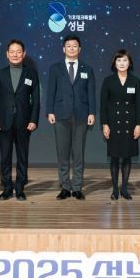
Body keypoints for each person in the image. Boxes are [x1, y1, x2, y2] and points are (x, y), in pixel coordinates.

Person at [0, 39, 40, 201]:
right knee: (5, 156)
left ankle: (20, 188)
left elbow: (36, 100)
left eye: (18, 52)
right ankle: (6, 187)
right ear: (7, 54)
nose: (15, 54)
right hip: (3, 121)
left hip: (24, 121)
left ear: (24, 54)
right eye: (12, 52)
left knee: (22, 156)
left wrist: (34, 120)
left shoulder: (31, 74)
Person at [46, 35, 96, 200]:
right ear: (64, 49)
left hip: (81, 115)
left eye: (75, 46)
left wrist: (92, 112)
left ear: (79, 49)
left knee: (78, 154)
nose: (72, 48)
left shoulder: (87, 69)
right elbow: (50, 91)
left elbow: (91, 93)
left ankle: (77, 187)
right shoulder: (55, 68)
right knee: (63, 154)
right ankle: (65, 187)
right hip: (61, 115)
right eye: (69, 46)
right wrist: (50, 111)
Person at [100, 49, 140, 200]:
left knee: (127, 157)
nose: (122, 63)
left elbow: (139, 104)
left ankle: (124, 189)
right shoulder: (108, 81)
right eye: (119, 60)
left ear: (129, 63)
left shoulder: (135, 80)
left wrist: (139, 125)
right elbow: (103, 105)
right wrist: (105, 124)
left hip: (130, 124)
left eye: (125, 60)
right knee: (114, 157)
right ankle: (114, 190)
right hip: (113, 124)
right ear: (114, 63)